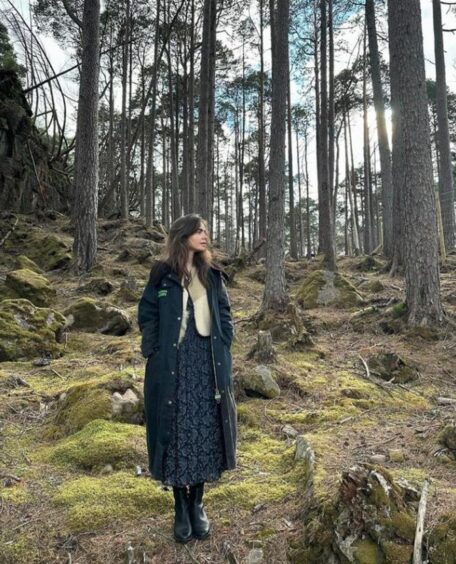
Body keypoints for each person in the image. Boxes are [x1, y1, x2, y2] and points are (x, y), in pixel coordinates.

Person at [137, 213, 237, 544]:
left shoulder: (212, 273)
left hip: (207, 363)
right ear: (182, 236)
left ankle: (198, 504)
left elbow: (224, 311)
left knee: (204, 430)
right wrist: (153, 349)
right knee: (177, 431)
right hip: (172, 365)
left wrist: (225, 341)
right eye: (198, 231)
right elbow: (147, 313)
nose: (204, 235)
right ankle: (180, 507)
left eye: (206, 230)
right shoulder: (162, 273)